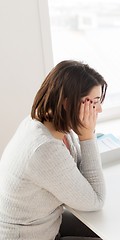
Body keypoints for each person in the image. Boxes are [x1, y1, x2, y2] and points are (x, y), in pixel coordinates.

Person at [0, 60, 107, 239]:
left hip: (47, 222)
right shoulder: (44, 148)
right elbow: (96, 199)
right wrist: (87, 136)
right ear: (67, 103)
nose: (100, 109)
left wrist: (84, 134)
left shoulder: (50, 123)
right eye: (94, 102)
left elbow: (80, 173)